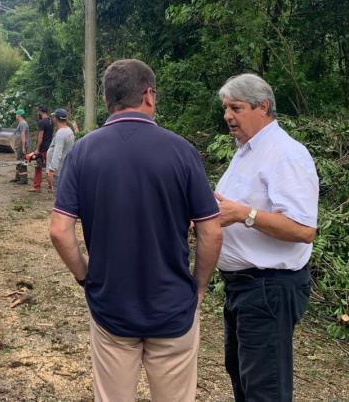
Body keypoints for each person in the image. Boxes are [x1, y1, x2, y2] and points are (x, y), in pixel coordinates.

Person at [49, 59, 223, 402]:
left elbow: (59, 230)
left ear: (107, 101)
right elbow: (212, 232)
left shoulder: (83, 152)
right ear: (149, 95)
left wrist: (86, 276)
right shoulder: (182, 151)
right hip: (173, 307)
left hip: (111, 305)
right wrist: (198, 287)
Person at [213, 73, 319, 402]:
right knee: (243, 376)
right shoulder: (246, 151)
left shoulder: (286, 154)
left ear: (263, 107)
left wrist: (245, 215)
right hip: (242, 287)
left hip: (268, 287)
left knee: (265, 389)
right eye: (225, 108)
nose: (228, 115)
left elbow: (303, 229)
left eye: (236, 108)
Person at [45, 108, 74, 195]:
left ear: (56, 118)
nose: (53, 118)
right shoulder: (69, 130)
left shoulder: (61, 133)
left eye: (53, 116)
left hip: (58, 172)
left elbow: (57, 153)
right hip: (65, 168)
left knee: (58, 197)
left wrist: (51, 170)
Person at [28, 105, 54, 192]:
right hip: (50, 147)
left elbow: (40, 137)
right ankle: (51, 187)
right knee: (50, 167)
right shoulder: (51, 121)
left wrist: (37, 149)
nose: (37, 113)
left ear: (41, 112)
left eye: (38, 112)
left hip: (42, 149)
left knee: (38, 167)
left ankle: (37, 187)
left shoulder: (41, 122)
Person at [12, 109, 30, 184]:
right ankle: (18, 177)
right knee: (18, 160)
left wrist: (23, 147)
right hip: (19, 144)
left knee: (21, 161)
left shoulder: (22, 123)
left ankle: (23, 179)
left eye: (16, 114)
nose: (15, 116)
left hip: (21, 145)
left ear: (19, 115)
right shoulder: (21, 123)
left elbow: (23, 135)